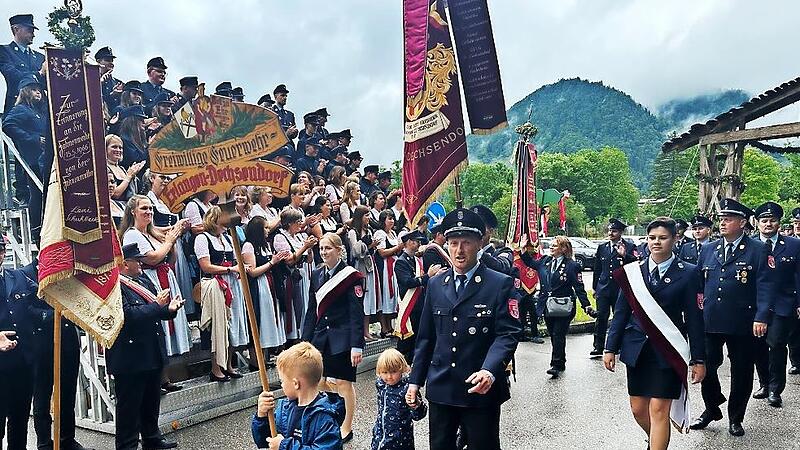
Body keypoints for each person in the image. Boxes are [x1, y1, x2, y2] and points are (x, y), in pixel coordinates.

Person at [407, 207, 520, 450]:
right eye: (453, 242)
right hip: (442, 387)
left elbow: (507, 334)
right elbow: (426, 338)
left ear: (479, 243)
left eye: (466, 243)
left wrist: (490, 371)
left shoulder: (499, 284)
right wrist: (415, 381)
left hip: (479, 387)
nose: (459, 250)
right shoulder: (436, 284)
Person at [603, 217, 706, 450]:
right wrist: (610, 348)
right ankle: (657, 440)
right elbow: (620, 313)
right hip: (637, 348)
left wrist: (698, 359)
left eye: (663, 238)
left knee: (659, 409)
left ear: (675, 239)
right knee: (638, 409)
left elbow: (695, 319)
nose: (656, 242)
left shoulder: (689, 273)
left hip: (668, 351)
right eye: (652, 238)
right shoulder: (633, 273)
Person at [690, 198, 770, 437]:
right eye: (721, 219)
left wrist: (762, 316)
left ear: (743, 223)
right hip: (711, 319)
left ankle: (736, 417)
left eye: (729, 219)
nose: (722, 223)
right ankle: (712, 407)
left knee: (742, 371)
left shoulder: (757, 249)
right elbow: (699, 286)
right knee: (706, 365)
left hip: (743, 322)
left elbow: (765, 286)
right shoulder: (708, 249)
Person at [108, 243, 182, 450]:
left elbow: (157, 310)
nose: (141, 263)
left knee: (151, 401)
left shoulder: (142, 281)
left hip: (150, 350)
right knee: (129, 407)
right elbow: (128, 315)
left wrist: (171, 309)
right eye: (136, 259)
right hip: (130, 356)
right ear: (124, 263)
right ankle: (127, 445)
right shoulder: (115, 286)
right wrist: (157, 307)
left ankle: (152, 438)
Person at [302, 233, 364, 442]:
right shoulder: (317, 274)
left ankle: (346, 427)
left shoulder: (351, 276)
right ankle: (333, 417)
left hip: (344, 337)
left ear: (339, 250)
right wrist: (305, 340)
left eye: (328, 248)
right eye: (321, 248)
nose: (323, 252)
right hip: (321, 338)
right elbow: (312, 310)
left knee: (344, 383)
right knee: (319, 381)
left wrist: (357, 345)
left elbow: (357, 313)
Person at [121, 195, 192, 359]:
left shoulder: (152, 233)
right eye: (144, 208)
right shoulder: (132, 234)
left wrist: (171, 244)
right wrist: (170, 241)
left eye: (151, 208)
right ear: (133, 212)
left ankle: (167, 374)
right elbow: (153, 258)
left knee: (170, 320)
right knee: (159, 322)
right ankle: (163, 377)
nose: (149, 212)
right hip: (150, 278)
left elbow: (170, 259)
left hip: (165, 275)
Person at [752, 202, 800, 408]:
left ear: (779, 223)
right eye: (764, 221)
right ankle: (763, 383)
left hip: (782, 303)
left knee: (777, 346)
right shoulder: (751, 245)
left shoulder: (793, 245)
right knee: (758, 347)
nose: (768, 224)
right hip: (754, 306)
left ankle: (775, 389)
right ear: (757, 224)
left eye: (772, 220)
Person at [252, 342, 344, 450]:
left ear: (296, 384)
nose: (282, 385)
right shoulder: (285, 409)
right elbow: (264, 441)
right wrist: (261, 415)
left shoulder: (325, 417)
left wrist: (284, 446)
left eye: (283, 380)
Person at [195, 206, 247, 382]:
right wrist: (230, 269)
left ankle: (229, 364)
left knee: (230, 323)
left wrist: (238, 269)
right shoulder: (203, 238)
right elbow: (206, 266)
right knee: (217, 325)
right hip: (214, 285)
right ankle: (216, 367)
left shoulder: (225, 238)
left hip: (231, 283)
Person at [536, 236, 594, 377]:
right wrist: (523, 250)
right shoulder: (546, 261)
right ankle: (560, 360)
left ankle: (556, 364)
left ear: (563, 249)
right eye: (551, 245)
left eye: (555, 245)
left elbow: (579, 287)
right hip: (548, 306)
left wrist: (586, 305)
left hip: (564, 307)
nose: (551, 247)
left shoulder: (572, 265)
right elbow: (531, 263)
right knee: (553, 334)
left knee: (558, 334)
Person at [0, 238, 39, 450]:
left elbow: (39, 301)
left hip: (23, 361)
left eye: (1, 248)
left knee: (19, 420)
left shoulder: (18, 277)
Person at [2, 74, 47, 226]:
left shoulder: (41, 112)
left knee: (43, 194)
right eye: (34, 90)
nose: (38, 92)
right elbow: (8, 125)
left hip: (43, 157)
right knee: (37, 194)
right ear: (26, 91)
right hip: (33, 158)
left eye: (39, 90)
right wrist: (32, 139)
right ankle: (35, 228)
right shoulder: (21, 109)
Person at [243, 216, 289, 360]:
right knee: (259, 317)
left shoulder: (265, 245)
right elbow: (252, 271)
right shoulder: (248, 246)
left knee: (269, 317)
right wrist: (272, 262)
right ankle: (255, 359)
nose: (268, 231)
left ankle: (265, 356)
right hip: (258, 285)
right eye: (265, 228)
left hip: (269, 283)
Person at [394, 230, 443, 364]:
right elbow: (408, 282)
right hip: (409, 304)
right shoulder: (401, 262)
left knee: (417, 336)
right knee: (406, 340)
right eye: (417, 241)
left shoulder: (415, 260)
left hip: (419, 303)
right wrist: (428, 276)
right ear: (409, 242)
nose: (419, 244)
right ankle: (401, 365)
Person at [591, 218, 637, 357]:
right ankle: (598, 346)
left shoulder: (629, 246)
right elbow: (597, 268)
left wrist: (625, 256)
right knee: (601, 317)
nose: (611, 233)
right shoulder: (603, 247)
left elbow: (637, 263)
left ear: (621, 232)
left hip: (620, 288)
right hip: (604, 288)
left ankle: (618, 345)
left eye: (614, 231)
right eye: (610, 230)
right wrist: (594, 287)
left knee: (621, 317)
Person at [273, 208, 318, 341]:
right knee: (294, 308)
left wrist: (309, 249)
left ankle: (304, 334)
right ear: (289, 223)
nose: (300, 224)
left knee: (304, 305)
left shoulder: (299, 236)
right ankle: (293, 338)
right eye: (297, 221)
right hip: (289, 277)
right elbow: (289, 260)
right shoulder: (280, 237)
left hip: (302, 275)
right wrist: (304, 247)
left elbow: (309, 260)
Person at [372, 348, 427, 450]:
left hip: (401, 440)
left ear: (401, 369)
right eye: (384, 372)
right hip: (380, 435)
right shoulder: (380, 384)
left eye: (393, 372)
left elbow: (419, 415)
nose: (389, 376)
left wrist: (416, 404)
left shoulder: (408, 388)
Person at [348, 205, 381, 340]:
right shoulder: (353, 232)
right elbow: (355, 251)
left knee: (368, 300)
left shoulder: (369, 230)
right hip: (359, 267)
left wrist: (372, 246)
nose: (368, 218)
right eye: (366, 215)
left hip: (369, 265)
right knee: (360, 298)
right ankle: (359, 331)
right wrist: (368, 245)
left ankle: (366, 331)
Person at [1, 14, 45, 113]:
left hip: (40, 111)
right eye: (30, 31)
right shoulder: (4, 51)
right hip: (17, 110)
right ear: (16, 29)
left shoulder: (40, 57)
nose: (33, 35)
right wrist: (40, 73)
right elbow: (14, 76)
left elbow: (47, 83)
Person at [375, 210, 403, 336]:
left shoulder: (393, 233)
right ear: (383, 221)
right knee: (385, 294)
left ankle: (391, 326)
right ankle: (384, 327)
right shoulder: (380, 233)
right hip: (384, 267)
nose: (391, 221)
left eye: (392, 218)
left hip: (393, 266)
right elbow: (382, 252)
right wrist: (398, 248)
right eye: (389, 218)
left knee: (392, 295)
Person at [106, 134, 145, 203]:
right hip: (115, 207)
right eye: (114, 147)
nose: (118, 150)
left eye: (120, 148)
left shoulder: (122, 169)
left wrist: (134, 175)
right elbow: (114, 194)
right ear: (105, 148)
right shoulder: (104, 168)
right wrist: (129, 176)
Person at [95, 46, 123, 112]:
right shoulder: (91, 80)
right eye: (107, 60)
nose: (111, 63)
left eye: (112, 61)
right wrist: (100, 83)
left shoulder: (117, 83)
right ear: (98, 61)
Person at [272, 84, 298, 155]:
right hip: (276, 147)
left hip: (289, 146)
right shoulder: (271, 112)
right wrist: (286, 134)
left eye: (286, 96)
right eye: (282, 95)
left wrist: (294, 132)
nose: (285, 98)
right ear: (275, 96)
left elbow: (293, 135)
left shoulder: (290, 114)